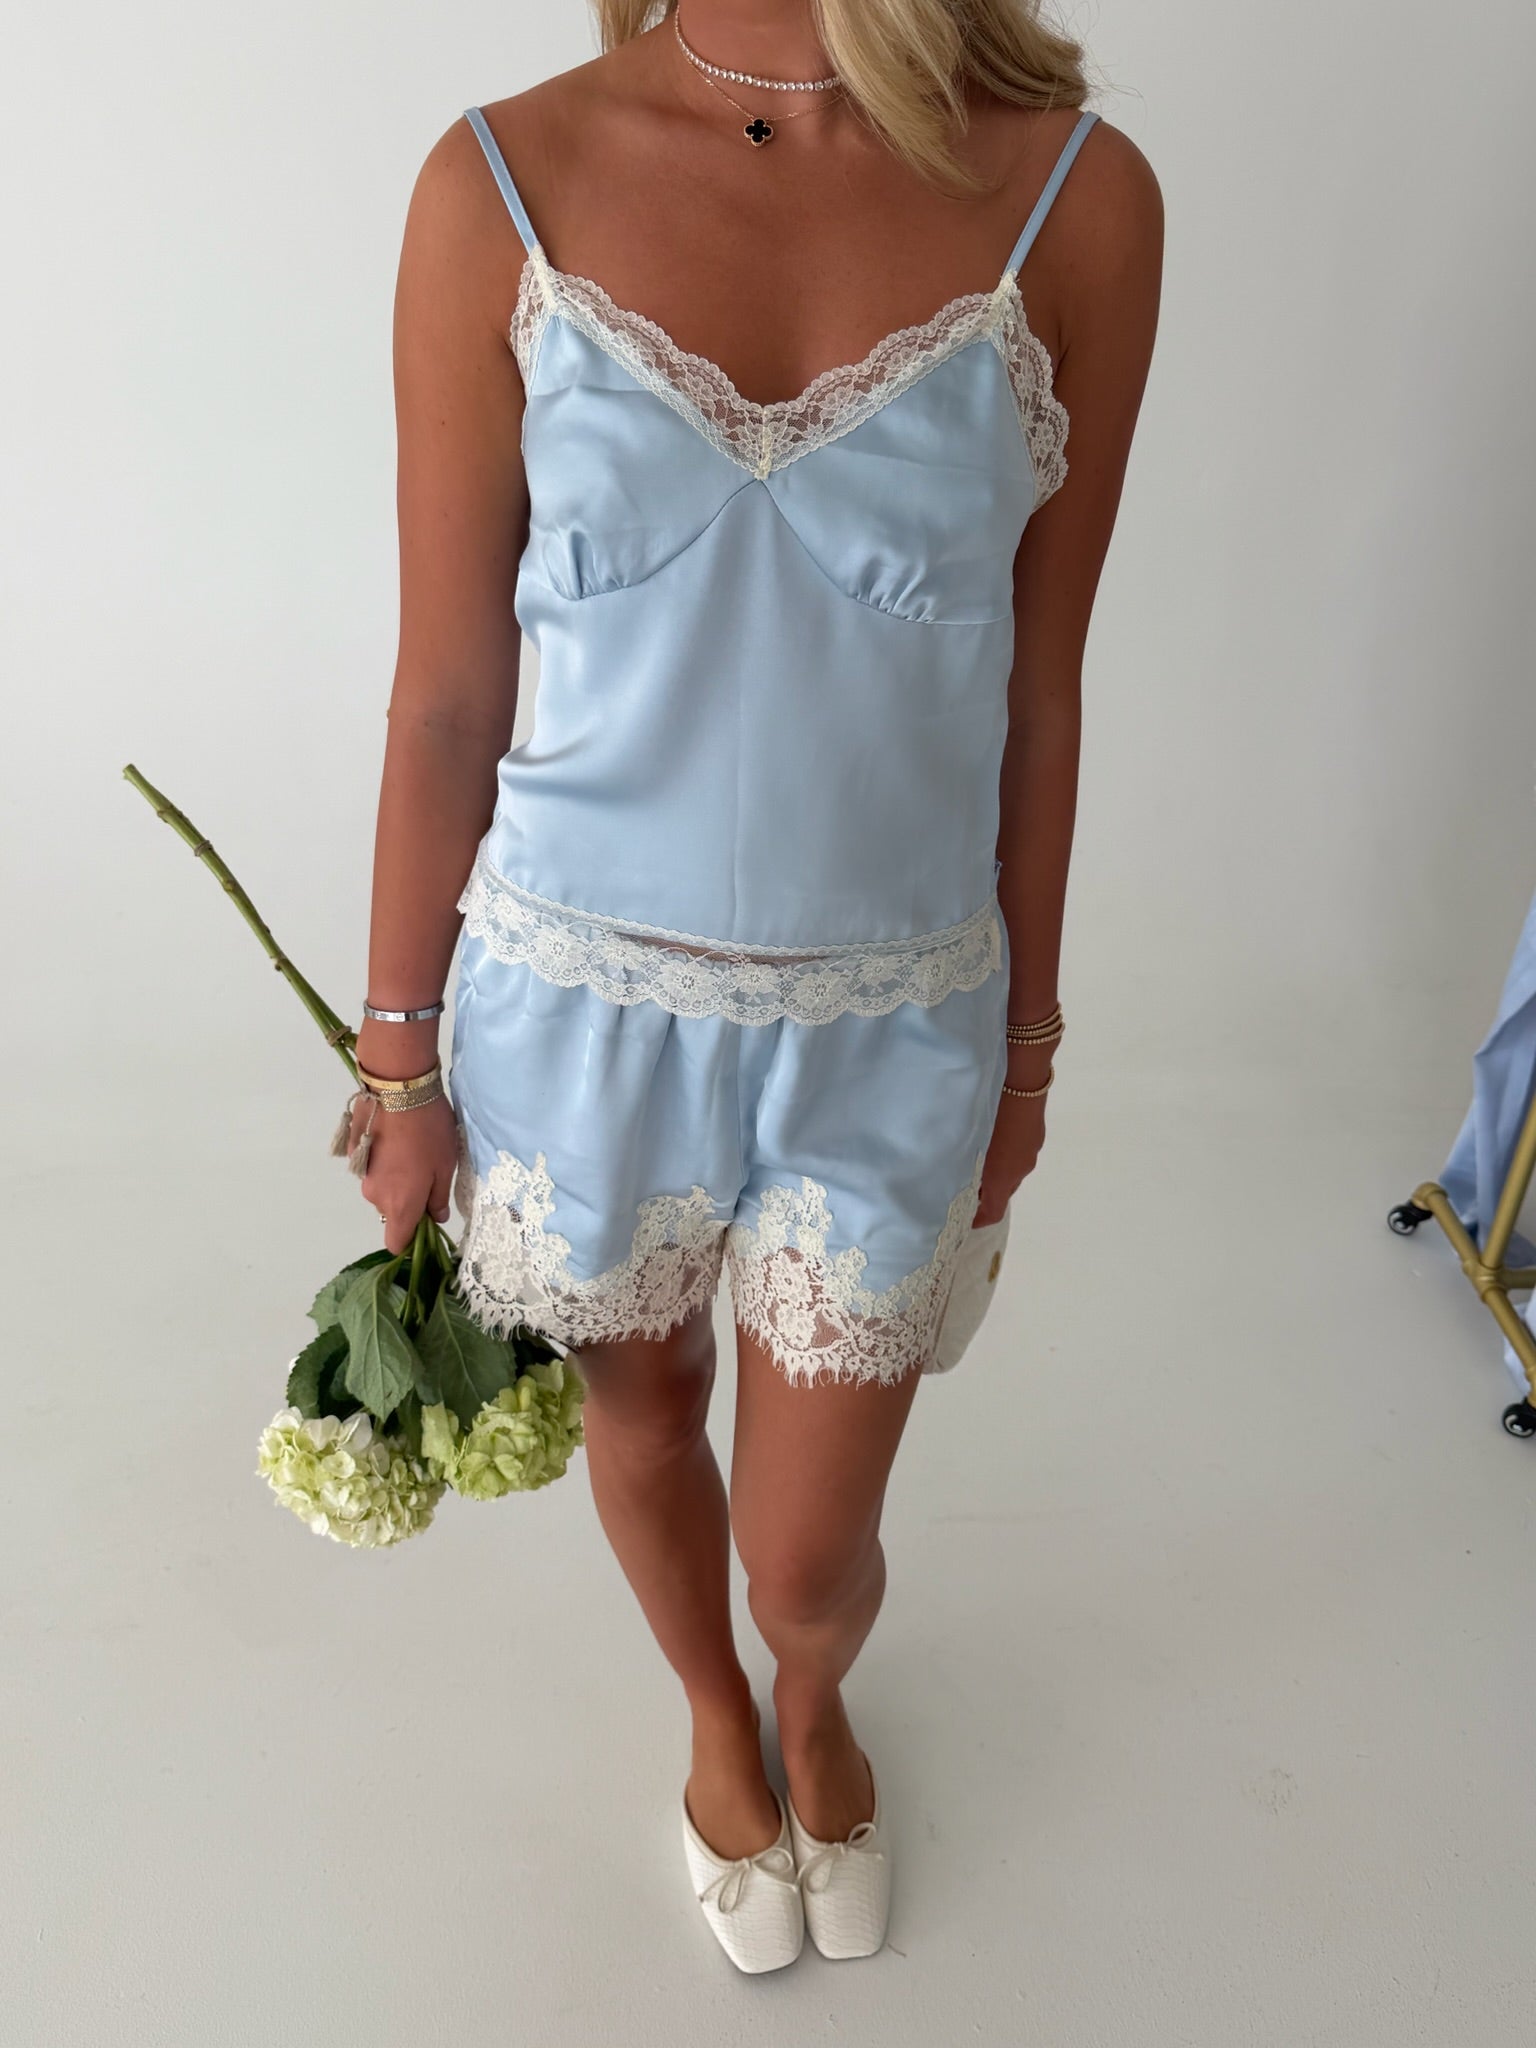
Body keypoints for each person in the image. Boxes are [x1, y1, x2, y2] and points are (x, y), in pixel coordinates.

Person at [347, 0, 1161, 1972]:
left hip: (895, 1023)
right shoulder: (498, 183)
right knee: (640, 1415)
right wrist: (400, 1053)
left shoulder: (1076, 196)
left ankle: (806, 1676)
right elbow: (446, 690)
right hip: (569, 1003)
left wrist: (1030, 1046)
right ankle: (719, 1713)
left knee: (811, 1553)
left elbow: (1043, 693)